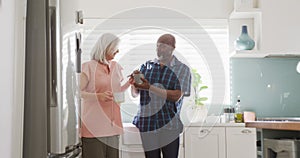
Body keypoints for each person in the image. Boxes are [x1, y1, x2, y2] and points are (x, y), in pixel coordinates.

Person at [131, 34, 191, 158]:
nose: (159, 49)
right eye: (157, 46)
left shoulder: (182, 69)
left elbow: (176, 95)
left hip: (169, 125)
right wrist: (135, 83)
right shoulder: (146, 66)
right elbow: (136, 93)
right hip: (148, 124)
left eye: (163, 46)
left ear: (172, 48)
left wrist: (150, 87)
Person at [80, 33, 132, 158]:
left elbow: (117, 92)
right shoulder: (88, 67)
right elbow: (77, 93)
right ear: (106, 47)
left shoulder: (116, 67)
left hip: (113, 127)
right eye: (115, 48)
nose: (118, 51)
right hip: (94, 128)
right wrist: (98, 96)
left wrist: (129, 83)